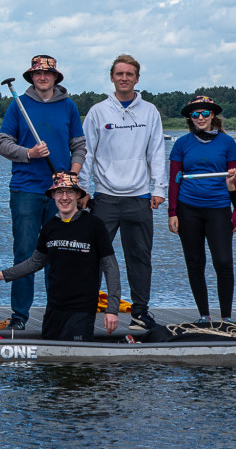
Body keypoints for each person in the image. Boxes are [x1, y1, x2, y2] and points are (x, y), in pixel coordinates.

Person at [0, 54, 86, 331]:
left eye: (47, 74)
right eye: (37, 74)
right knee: (24, 252)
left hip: (60, 192)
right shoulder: (18, 106)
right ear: (31, 77)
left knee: (58, 253)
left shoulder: (68, 106)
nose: (43, 78)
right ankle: (20, 315)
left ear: (55, 77)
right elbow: (2, 143)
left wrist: (72, 175)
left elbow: (79, 146)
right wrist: (28, 153)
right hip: (25, 189)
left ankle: (55, 313)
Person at [78, 54, 166, 331]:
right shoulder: (98, 111)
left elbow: (156, 152)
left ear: (137, 79)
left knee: (139, 257)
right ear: (112, 77)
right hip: (105, 197)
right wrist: (82, 188)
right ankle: (83, 312)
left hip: (139, 197)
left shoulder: (150, 111)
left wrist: (159, 188)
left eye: (130, 74)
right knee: (91, 256)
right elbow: (87, 153)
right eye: (120, 74)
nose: (124, 78)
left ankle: (140, 313)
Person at [0, 172, 120, 341]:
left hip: (82, 310)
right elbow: (34, 263)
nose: (64, 197)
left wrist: (112, 309)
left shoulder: (94, 225)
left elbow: (110, 267)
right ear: (53, 195)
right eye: (59, 192)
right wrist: (0, 275)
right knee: (50, 363)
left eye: (69, 192)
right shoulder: (50, 227)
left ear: (78, 195)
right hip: (54, 308)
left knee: (76, 364)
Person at [168, 96, 236, 323]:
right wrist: (172, 212)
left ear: (213, 116)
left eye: (205, 113)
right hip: (188, 209)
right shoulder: (182, 143)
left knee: (223, 262)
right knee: (195, 262)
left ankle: (227, 317)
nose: (200, 118)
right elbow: (174, 180)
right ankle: (203, 315)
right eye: (195, 114)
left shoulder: (228, 143)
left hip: (218, 208)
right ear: (190, 118)